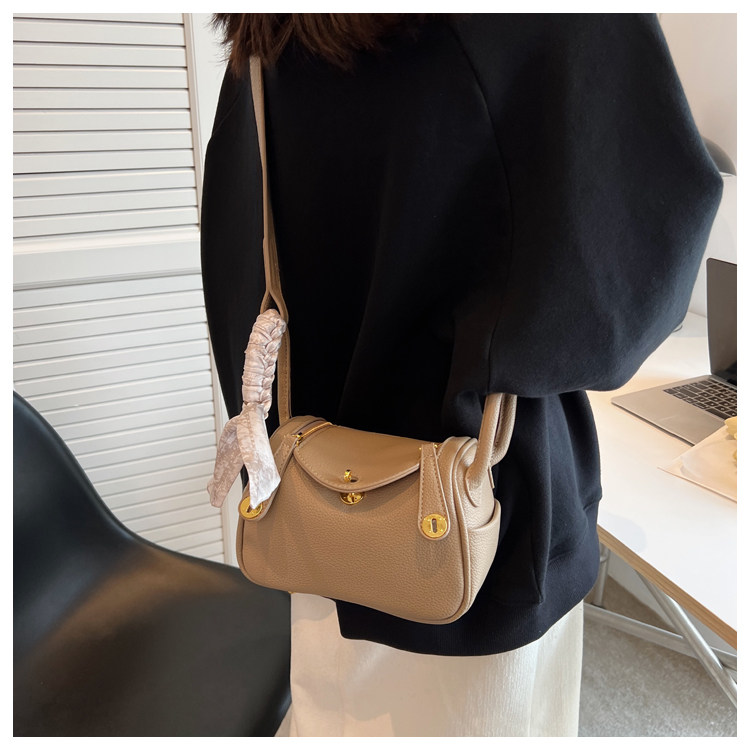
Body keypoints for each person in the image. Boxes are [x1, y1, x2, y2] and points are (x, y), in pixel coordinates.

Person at [200, 13, 722, 737]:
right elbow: (638, 258)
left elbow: (240, 262)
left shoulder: (276, 29)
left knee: (337, 716)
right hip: (483, 516)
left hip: (312, 500)